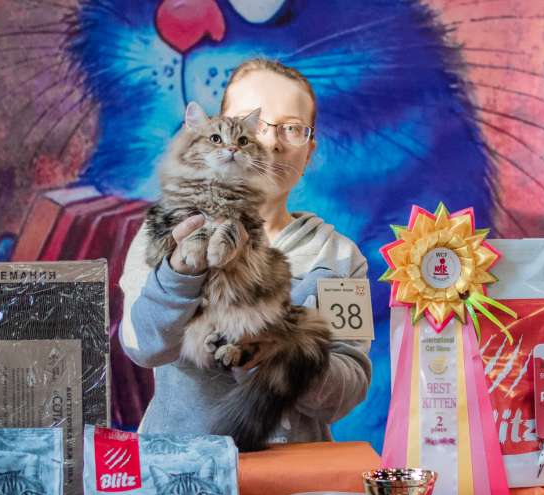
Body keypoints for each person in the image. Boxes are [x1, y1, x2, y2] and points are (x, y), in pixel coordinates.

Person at [119, 58, 371, 444]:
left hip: (295, 472)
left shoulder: (338, 256)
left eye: (291, 128)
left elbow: (348, 388)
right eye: (251, 124)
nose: (269, 142)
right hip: (182, 463)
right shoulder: (169, 226)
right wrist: (178, 277)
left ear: (309, 153)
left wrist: (280, 357)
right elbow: (142, 347)